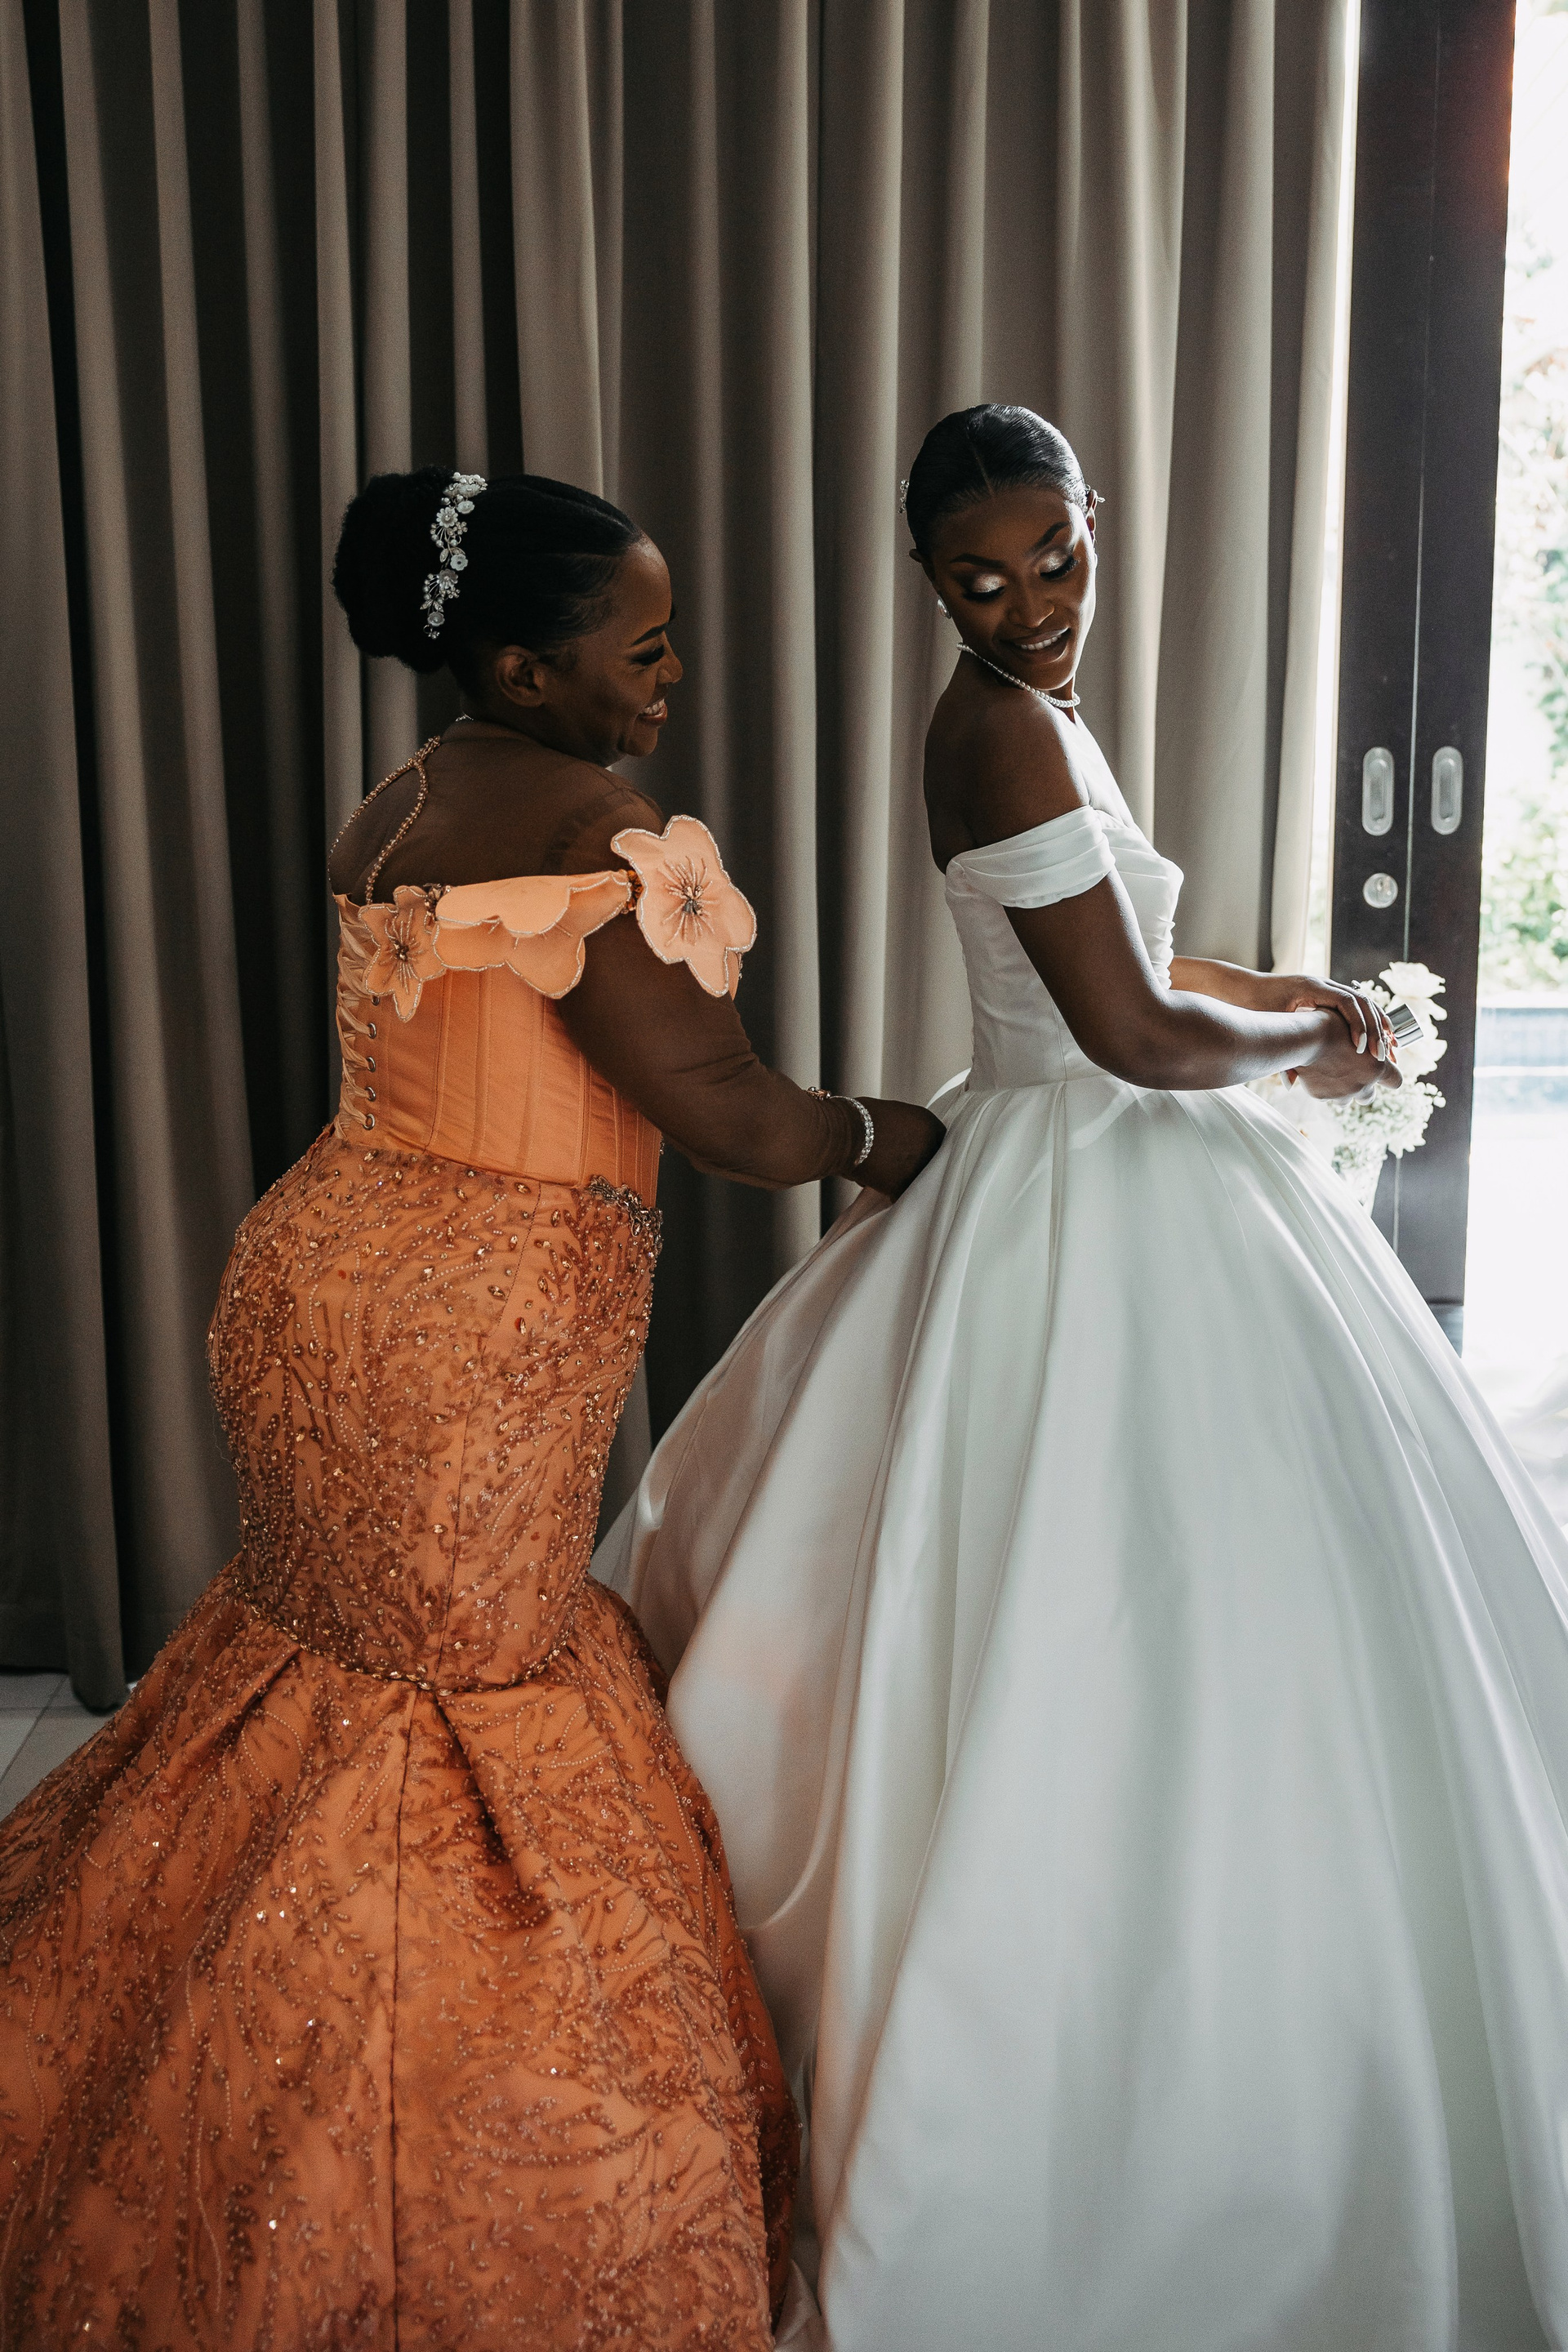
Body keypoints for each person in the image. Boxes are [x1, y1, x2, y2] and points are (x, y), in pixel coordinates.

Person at [598, 407, 1568, 2351]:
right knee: (1119, 1594)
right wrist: (1323, 1042)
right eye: (982, 580)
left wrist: (1300, 1004)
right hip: (1092, 1160)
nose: (1034, 603)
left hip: (1089, 1148)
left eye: (1058, 558)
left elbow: (1136, 961)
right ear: (927, 581)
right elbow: (1128, 1034)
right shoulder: (1003, 730)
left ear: (1095, 522)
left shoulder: (1029, 711)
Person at [0, 466, 942, 2350]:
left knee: (332, 1657)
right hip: (474, 1332)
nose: (669, 678)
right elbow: (732, 1118)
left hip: (318, 1269)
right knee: (444, 1704)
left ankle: (180, 2071)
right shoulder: (599, 832)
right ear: (523, 664)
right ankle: (390, 2180)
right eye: (642, 649)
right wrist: (899, 1137)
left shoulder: (406, 794)